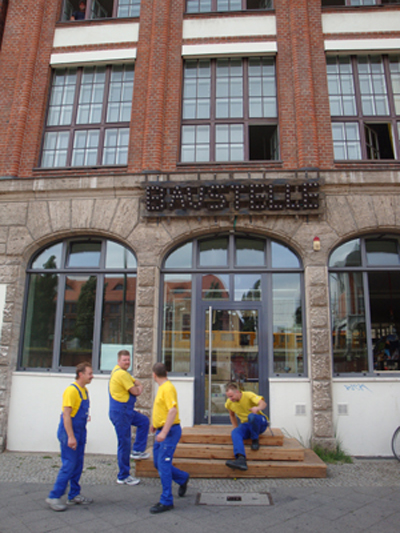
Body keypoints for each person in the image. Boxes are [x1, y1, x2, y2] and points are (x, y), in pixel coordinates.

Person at [46, 362, 94, 512]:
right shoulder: (71, 391)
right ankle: (54, 496)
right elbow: (66, 415)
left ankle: (74, 494)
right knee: (69, 464)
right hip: (70, 432)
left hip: (80, 431)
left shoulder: (84, 390)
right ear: (81, 374)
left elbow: (77, 411)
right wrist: (71, 437)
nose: (92, 376)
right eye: (89, 374)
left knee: (78, 464)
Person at [150, 362, 189, 514]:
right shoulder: (162, 387)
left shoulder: (167, 388)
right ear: (166, 372)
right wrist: (155, 424)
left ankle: (166, 500)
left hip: (170, 431)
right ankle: (182, 478)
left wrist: (164, 432)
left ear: (154, 375)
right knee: (157, 463)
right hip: (162, 429)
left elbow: (172, 411)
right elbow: (163, 409)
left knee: (163, 464)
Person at [109, 349, 150, 486]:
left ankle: (137, 450)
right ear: (118, 361)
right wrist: (139, 388)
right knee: (124, 443)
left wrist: (138, 385)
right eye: (124, 360)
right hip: (121, 413)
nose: (127, 362)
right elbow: (135, 391)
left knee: (144, 421)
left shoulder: (123, 373)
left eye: (128, 359)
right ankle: (123, 476)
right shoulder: (120, 374)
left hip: (126, 411)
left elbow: (136, 382)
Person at [224, 382, 268, 471]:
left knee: (251, 417)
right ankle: (241, 459)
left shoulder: (248, 395)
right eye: (228, 397)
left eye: (231, 396)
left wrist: (257, 408)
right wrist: (236, 427)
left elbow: (263, 403)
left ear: (237, 392)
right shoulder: (229, 403)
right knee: (235, 432)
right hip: (247, 425)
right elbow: (232, 415)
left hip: (259, 422)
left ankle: (255, 439)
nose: (230, 399)